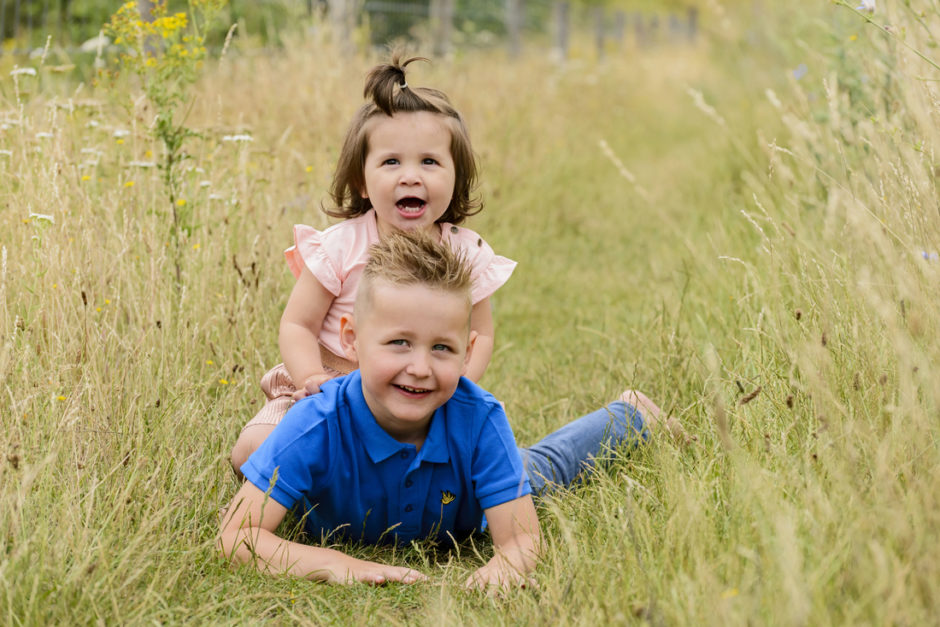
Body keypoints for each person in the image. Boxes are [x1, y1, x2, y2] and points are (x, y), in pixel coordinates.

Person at [218, 231, 664, 590]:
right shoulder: (314, 422)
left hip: (464, 502)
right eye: (398, 342)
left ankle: (632, 415)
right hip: (355, 505)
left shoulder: (480, 418)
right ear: (351, 338)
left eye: (442, 348)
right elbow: (236, 536)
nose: (420, 368)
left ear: (467, 352)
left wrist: (506, 566)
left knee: (543, 469)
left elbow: (523, 540)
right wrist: (335, 563)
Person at [230, 54, 515, 474]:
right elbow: (298, 325)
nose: (411, 176)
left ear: (456, 176)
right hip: (331, 386)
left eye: (430, 162)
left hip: (424, 389)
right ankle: (329, 477)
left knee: (477, 461)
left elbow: (481, 334)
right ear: (362, 181)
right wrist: (311, 378)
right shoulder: (341, 247)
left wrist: (457, 385)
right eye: (391, 161)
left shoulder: (465, 253)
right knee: (252, 451)